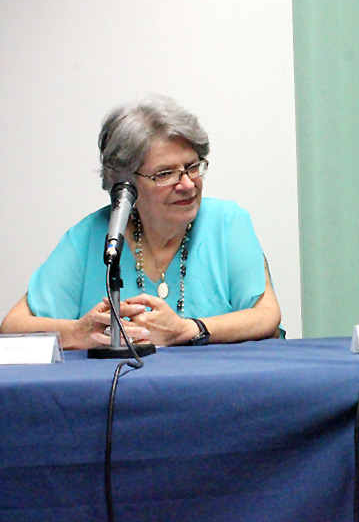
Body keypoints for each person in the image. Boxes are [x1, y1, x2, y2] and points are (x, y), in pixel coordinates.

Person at [1, 95, 281, 348]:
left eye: (192, 167)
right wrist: (77, 332)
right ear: (127, 184)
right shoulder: (93, 234)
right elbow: (13, 327)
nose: (186, 184)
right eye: (165, 173)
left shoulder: (227, 222)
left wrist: (187, 330)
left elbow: (267, 316)